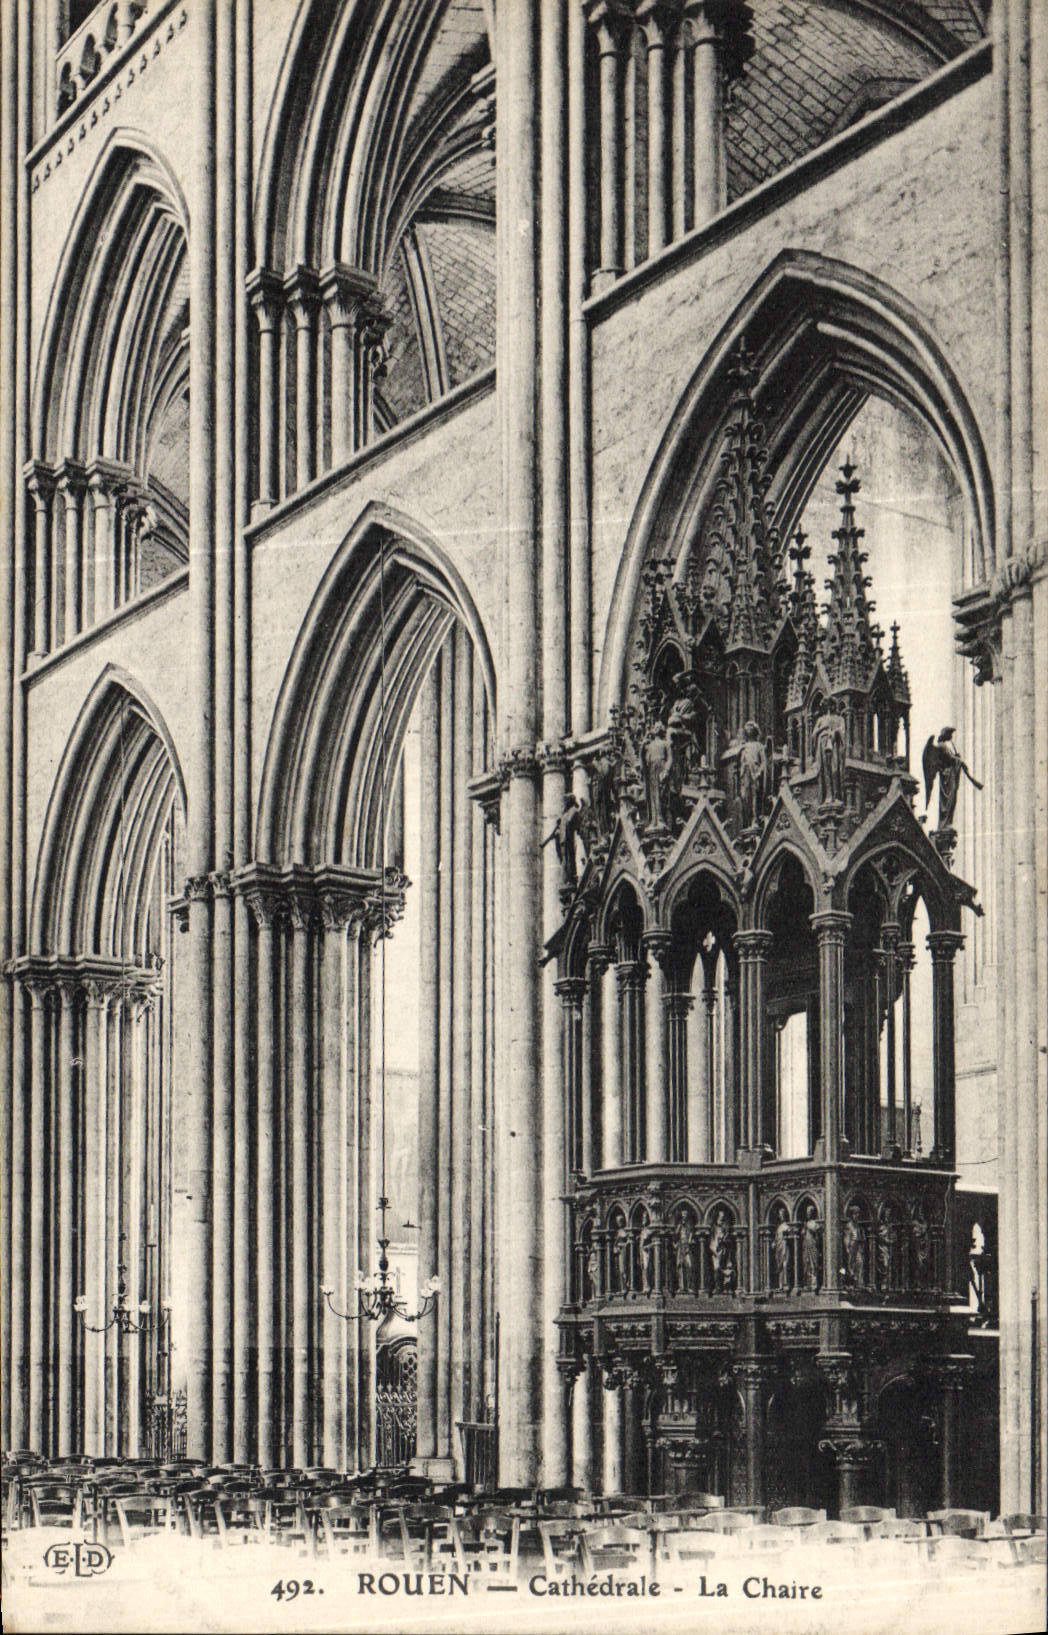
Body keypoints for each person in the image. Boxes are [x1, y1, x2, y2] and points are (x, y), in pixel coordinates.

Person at [922, 726, 982, 830]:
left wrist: (957, 759)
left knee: (952, 800)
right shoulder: (942, 746)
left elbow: (952, 759)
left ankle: (947, 821)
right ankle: (944, 823)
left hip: (951, 776)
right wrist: (959, 760)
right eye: (950, 734)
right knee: (948, 800)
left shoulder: (946, 746)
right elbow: (950, 759)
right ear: (945, 734)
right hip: (947, 778)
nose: (951, 736)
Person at [541, 793, 586, 889]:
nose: (564, 803)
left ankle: (572, 879)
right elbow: (557, 830)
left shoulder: (573, 811)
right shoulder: (564, 815)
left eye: (566, 800)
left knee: (570, 859)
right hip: (563, 841)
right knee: (565, 861)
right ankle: (568, 880)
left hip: (569, 840)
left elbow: (575, 824)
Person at [812, 705, 846, 804]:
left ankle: (837, 796)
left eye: (831, 704)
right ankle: (828, 796)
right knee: (825, 770)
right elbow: (813, 735)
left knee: (835, 770)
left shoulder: (840, 719)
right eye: (827, 705)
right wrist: (823, 728)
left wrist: (836, 732)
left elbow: (843, 731)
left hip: (835, 744)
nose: (830, 708)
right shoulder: (821, 719)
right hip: (823, 744)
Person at [738, 721, 767, 829]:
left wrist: (759, 772)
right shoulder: (743, 747)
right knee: (746, 797)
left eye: (751, 728)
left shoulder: (759, 746)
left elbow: (764, 762)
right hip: (745, 774)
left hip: (755, 774)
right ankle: (747, 821)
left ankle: (755, 819)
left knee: (755, 796)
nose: (749, 730)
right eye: (747, 729)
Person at [802, 1204, 822, 1291]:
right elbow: (802, 1234)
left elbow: (817, 1232)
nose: (808, 1214)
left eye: (810, 1212)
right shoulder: (806, 1224)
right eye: (807, 1212)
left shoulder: (815, 1224)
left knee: (814, 1264)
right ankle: (808, 1284)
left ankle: (814, 1284)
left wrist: (808, 1228)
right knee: (807, 1265)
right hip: (806, 1246)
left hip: (813, 1246)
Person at [773, 1205, 790, 1292]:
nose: (781, 1216)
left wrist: (786, 1236)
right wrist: (774, 1243)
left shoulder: (787, 1226)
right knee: (779, 1266)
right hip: (779, 1247)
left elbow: (790, 1236)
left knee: (785, 1265)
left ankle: (786, 1284)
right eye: (780, 1214)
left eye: (782, 1214)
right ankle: (780, 1285)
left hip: (785, 1246)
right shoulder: (779, 1227)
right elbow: (776, 1238)